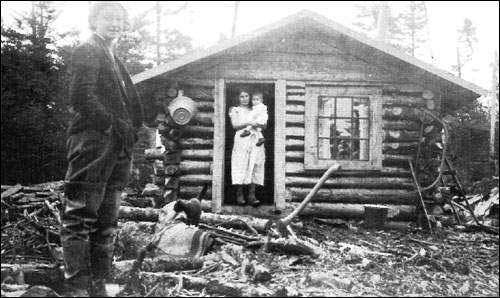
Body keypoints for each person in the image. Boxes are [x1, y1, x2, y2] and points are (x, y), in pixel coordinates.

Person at [61, 2, 144, 296]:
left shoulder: (113, 57)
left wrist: (130, 130)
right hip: (93, 144)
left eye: (120, 19)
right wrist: (111, 125)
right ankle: (77, 288)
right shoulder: (89, 50)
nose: (115, 23)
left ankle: (100, 286)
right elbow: (80, 96)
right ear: (94, 21)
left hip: (117, 146)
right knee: (80, 216)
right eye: (108, 18)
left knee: (107, 220)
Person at [229, 90, 267, 206]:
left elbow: (264, 125)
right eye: (242, 96)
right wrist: (249, 122)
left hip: (255, 138)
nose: (244, 99)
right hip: (241, 138)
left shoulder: (255, 108)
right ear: (238, 98)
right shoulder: (234, 109)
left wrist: (258, 124)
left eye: (246, 96)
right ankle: (239, 194)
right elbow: (235, 125)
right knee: (241, 164)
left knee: (254, 163)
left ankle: (252, 195)